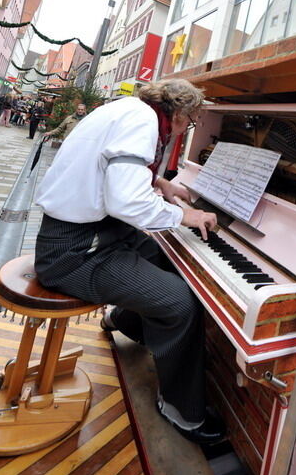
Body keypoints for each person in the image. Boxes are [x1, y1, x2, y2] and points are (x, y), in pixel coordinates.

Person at [34, 78, 223, 444]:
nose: (188, 128)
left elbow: (114, 173)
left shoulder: (132, 110)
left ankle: (122, 318)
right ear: (181, 113)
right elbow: (125, 202)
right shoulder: (144, 122)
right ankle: (179, 409)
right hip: (75, 251)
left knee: (166, 260)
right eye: (193, 121)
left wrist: (162, 186)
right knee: (180, 303)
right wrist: (187, 217)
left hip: (95, 232)